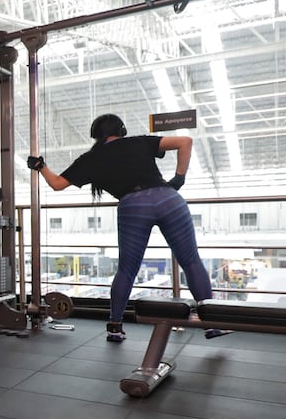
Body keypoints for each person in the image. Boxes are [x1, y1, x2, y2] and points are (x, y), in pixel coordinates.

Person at [29, 113, 229, 343]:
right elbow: (185, 142)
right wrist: (178, 179)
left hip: (133, 206)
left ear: (96, 136)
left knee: (127, 269)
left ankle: (115, 326)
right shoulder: (138, 141)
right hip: (168, 200)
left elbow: (56, 184)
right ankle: (212, 324)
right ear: (121, 129)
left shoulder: (91, 159)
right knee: (191, 261)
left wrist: (41, 166)